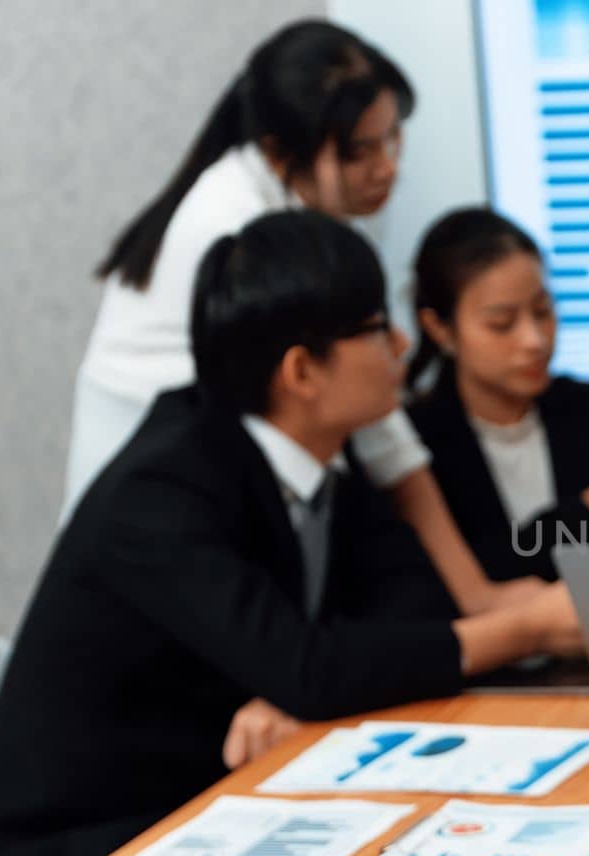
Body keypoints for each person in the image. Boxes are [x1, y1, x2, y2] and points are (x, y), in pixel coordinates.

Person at [0, 211, 581, 856]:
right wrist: (527, 628)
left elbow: (402, 609)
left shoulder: (319, 456)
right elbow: (311, 666)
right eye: (378, 328)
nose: (401, 346)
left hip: (222, 799)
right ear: (301, 371)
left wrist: (300, 682)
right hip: (81, 853)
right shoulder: (162, 488)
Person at [67, 19, 526, 614]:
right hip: (158, 526)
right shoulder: (238, 231)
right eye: (361, 152)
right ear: (282, 151)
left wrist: (477, 597)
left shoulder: (302, 198)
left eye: (393, 139)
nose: (387, 167)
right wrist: (478, 597)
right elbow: (374, 417)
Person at [406, 208, 589, 582]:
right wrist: (585, 514)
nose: (535, 340)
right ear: (439, 328)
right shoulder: (417, 439)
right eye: (502, 323)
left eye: (543, 311)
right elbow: (455, 578)